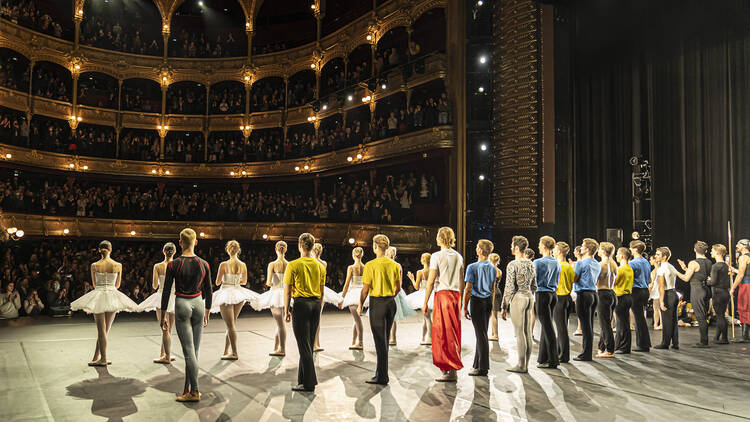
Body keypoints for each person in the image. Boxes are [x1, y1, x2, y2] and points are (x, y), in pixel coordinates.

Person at [161, 228, 213, 402]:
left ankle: (195, 391)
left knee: (189, 353)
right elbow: (209, 290)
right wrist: (207, 310)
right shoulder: (204, 263)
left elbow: (167, 291)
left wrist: (163, 315)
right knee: (194, 352)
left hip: (182, 303)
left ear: (180, 243)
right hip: (198, 303)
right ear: (196, 242)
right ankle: (187, 389)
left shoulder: (173, 264)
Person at [70, 240, 139, 366]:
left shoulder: (94, 265)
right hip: (112, 295)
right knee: (105, 330)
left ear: (99, 250)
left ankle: (103, 358)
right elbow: (117, 285)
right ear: (111, 250)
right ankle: (97, 356)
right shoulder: (117, 265)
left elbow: (95, 284)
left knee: (101, 330)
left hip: (99, 295)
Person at [284, 233, 326, 392]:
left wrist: (286, 309)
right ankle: (302, 380)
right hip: (315, 305)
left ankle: (310, 382)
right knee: (308, 344)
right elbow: (322, 293)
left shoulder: (293, 265)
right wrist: (319, 309)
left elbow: (287, 291)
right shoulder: (320, 266)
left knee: (304, 345)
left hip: (301, 305)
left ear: (300, 245)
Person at [358, 234, 401, 385]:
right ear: (387, 247)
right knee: (385, 339)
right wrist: (390, 296)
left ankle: (382, 376)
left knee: (380, 341)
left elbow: (365, 290)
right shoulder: (395, 265)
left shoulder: (370, 265)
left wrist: (360, 305)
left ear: (375, 246)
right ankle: (381, 373)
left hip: (377, 303)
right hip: (390, 303)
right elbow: (398, 288)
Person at [423, 227, 464, 382]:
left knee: (442, 333)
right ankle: (449, 368)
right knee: (453, 332)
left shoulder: (436, 256)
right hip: (455, 295)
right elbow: (461, 279)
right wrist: (460, 300)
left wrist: (425, 301)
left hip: (443, 295)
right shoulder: (458, 256)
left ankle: (451, 369)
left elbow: (431, 281)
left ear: (441, 238)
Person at [210, 240, 259, 360]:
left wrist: (225, 280)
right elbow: (244, 282)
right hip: (238, 293)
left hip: (227, 292)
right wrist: (235, 281)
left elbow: (217, 282)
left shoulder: (223, 264)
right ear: (238, 250)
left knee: (230, 325)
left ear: (228, 250)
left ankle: (235, 352)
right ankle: (226, 350)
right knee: (231, 325)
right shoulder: (242, 264)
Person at [501, 235, 536, 373]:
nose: (510, 247)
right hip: (529, 296)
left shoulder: (513, 265)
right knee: (527, 332)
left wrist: (504, 305)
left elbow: (509, 287)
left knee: (519, 333)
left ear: (516, 248)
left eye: (511, 245)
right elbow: (534, 285)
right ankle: (525, 364)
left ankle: (521, 365)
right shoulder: (531, 264)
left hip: (519, 297)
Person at [138, 242, 177, 364]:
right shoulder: (178, 265)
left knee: (164, 328)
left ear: (163, 251)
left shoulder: (158, 266)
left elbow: (154, 286)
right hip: (174, 297)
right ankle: (164, 353)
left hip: (161, 297)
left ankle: (167, 356)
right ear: (174, 252)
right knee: (169, 329)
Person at [463, 239, 496, 376]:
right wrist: (492, 307)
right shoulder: (493, 268)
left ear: (479, 250)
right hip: (487, 301)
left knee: (481, 335)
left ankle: (483, 367)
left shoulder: (472, 267)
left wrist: (464, 306)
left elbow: (468, 288)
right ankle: (477, 364)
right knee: (482, 333)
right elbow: (493, 289)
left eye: (477, 246)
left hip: (477, 301)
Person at [675, 241, 713, 347]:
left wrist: (676, 272)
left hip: (697, 290)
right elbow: (697, 274)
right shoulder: (709, 262)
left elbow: (686, 278)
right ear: (705, 251)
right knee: (704, 314)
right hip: (706, 289)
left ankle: (704, 341)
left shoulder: (693, 262)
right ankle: (704, 340)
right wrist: (685, 269)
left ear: (695, 250)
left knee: (700, 315)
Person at [257, 241, 289, 356]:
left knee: (280, 324)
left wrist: (271, 281)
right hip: (285, 294)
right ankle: (276, 347)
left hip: (276, 294)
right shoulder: (289, 264)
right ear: (285, 250)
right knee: (280, 323)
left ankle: (282, 349)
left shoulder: (272, 264)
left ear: (276, 249)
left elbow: (269, 282)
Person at [534, 236, 561, 369]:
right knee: (547, 326)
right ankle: (543, 358)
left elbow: (534, 281)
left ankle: (553, 360)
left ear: (544, 246)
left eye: (540, 244)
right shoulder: (556, 262)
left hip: (542, 294)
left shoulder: (538, 262)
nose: (538, 246)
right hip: (553, 294)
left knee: (548, 327)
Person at [311, 243, 343, 352]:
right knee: (317, 318)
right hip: (320, 289)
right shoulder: (323, 263)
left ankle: (313, 343)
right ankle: (316, 343)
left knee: (311, 319)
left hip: (312, 288)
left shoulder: (310, 261)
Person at [573, 238, 601, 361]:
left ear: (588, 249)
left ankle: (586, 353)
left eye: (583, 246)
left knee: (585, 325)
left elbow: (574, 278)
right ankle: (587, 352)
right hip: (594, 294)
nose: (581, 248)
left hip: (583, 294)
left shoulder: (581, 263)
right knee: (589, 325)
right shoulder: (596, 263)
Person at [384, 246, 416, 346]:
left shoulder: (387, 265)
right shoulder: (398, 265)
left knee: (387, 316)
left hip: (388, 290)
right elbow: (400, 282)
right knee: (393, 317)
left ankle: (389, 337)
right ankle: (393, 338)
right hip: (395, 290)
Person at [628, 240, 652, 352]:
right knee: (641, 317)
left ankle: (642, 344)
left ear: (635, 250)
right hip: (645, 290)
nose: (630, 250)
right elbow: (649, 278)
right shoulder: (646, 262)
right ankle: (644, 343)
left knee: (638, 318)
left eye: (631, 248)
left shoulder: (632, 263)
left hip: (636, 290)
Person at [653, 246, 679, 350]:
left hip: (668, 294)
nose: (656, 256)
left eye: (658, 254)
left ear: (664, 256)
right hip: (674, 293)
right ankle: (675, 343)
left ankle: (665, 343)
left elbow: (661, 287)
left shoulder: (661, 269)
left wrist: (662, 301)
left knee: (667, 320)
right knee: (674, 320)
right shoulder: (671, 266)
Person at [340, 247, 366, 350]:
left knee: (357, 320)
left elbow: (346, 285)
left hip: (354, 293)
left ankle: (360, 342)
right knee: (356, 320)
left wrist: (341, 298)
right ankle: (354, 341)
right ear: (362, 255)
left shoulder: (351, 267)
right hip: (362, 294)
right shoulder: (365, 267)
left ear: (353, 255)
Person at [552, 242, 574, 363]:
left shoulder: (559, 266)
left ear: (559, 252)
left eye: (555, 250)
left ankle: (563, 355)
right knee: (563, 327)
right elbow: (572, 283)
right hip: (567, 298)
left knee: (561, 329)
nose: (553, 252)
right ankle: (561, 351)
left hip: (559, 298)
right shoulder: (569, 266)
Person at [406, 253, 434, 345]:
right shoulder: (434, 271)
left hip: (423, 295)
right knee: (426, 317)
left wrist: (412, 279)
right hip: (432, 294)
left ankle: (430, 338)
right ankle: (423, 337)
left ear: (423, 260)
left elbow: (416, 287)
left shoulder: (420, 272)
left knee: (427, 317)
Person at [596, 242, 617, 358]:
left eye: (599, 249)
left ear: (603, 251)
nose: (598, 251)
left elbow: (595, 281)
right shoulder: (614, 263)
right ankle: (601, 347)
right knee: (606, 322)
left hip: (603, 293)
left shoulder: (601, 264)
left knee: (605, 323)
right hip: (611, 293)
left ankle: (610, 350)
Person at [708, 244, 730, 344]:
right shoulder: (725, 265)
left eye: (712, 250)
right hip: (725, 292)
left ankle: (724, 339)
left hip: (718, 293)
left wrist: (706, 281)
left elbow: (713, 282)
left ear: (717, 252)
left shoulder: (715, 266)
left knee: (720, 316)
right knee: (721, 315)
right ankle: (717, 337)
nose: (710, 252)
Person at [614, 247, 634, 354]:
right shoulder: (629, 268)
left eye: (617, 254)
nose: (616, 255)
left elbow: (614, 282)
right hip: (628, 296)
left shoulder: (620, 269)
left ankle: (623, 347)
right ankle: (621, 345)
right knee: (624, 323)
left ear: (622, 256)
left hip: (621, 297)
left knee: (621, 324)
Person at [730, 239, 750, 343]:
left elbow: (741, 275)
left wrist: (733, 287)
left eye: (738, 244)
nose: (736, 245)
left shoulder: (743, 257)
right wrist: (735, 270)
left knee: (744, 308)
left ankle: (745, 336)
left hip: (746, 286)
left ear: (744, 246)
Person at [488, 253, 503, 342]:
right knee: (494, 314)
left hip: (493, 292)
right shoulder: (499, 270)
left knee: (493, 315)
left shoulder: (491, 270)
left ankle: (495, 334)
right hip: (498, 291)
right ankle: (494, 333)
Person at [648, 255, 661, 330]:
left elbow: (652, 283)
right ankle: (656, 324)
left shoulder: (657, 270)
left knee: (658, 308)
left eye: (651, 259)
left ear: (655, 260)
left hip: (657, 291)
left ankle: (660, 324)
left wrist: (649, 293)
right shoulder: (655, 269)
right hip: (656, 291)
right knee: (656, 308)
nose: (650, 261)